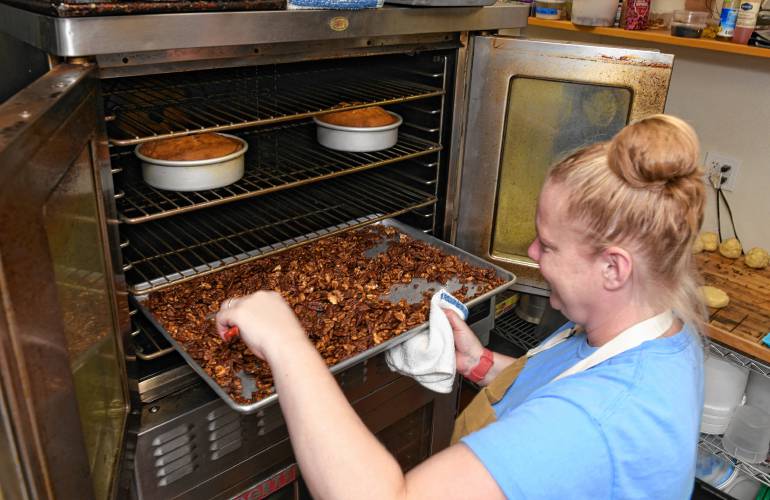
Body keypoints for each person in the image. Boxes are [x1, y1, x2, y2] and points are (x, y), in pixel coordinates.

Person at [216, 114, 706, 499]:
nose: (533, 253)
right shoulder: (665, 336)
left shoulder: (592, 424)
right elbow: (565, 384)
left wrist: (286, 343)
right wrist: (481, 363)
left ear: (614, 269)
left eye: (549, 246)